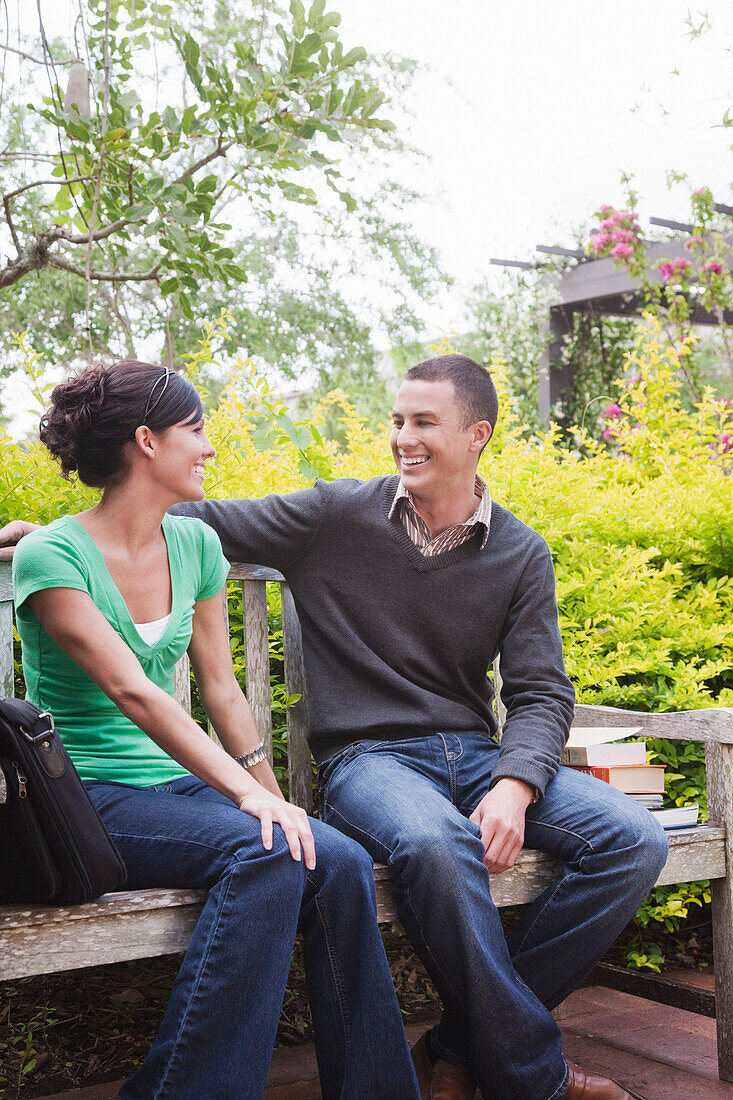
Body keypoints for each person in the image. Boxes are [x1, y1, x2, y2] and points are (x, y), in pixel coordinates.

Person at [2, 354, 667, 1100]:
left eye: (423, 423)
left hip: (477, 757)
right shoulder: (333, 516)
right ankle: (531, 1077)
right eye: (397, 421)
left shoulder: (518, 552)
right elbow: (157, 533)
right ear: (150, 440)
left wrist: (515, 783)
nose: (402, 438)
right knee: (419, 846)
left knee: (629, 840)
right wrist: (55, 538)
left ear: (477, 435)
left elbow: (542, 692)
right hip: (365, 760)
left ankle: (451, 1055)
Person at [6, 360, 420, 1100]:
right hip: (85, 797)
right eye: (195, 429)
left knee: (337, 859)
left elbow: (223, 691)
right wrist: (249, 803)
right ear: (146, 440)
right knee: (265, 856)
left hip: (174, 790)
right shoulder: (53, 555)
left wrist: (273, 797)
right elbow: (134, 691)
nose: (209, 447)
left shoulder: (196, 548)